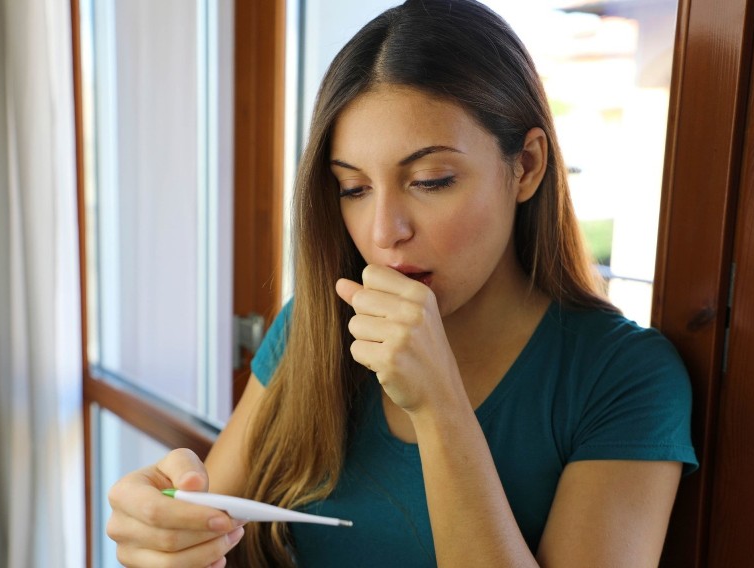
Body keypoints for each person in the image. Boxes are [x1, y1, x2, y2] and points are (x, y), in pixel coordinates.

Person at [106, 1, 698, 566]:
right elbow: (215, 536)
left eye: (431, 180)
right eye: (354, 189)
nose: (384, 232)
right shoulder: (314, 324)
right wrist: (163, 532)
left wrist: (440, 406)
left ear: (527, 166)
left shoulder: (624, 376)